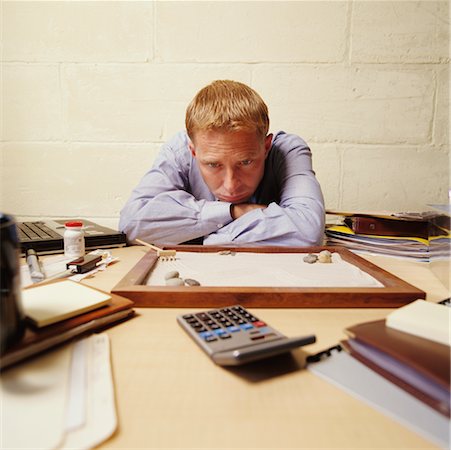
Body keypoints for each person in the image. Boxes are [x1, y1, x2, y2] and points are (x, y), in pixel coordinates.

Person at [119, 80, 325, 246]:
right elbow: (131, 226)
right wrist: (235, 211)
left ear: (266, 146)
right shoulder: (179, 150)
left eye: (245, 162)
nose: (231, 185)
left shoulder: (288, 150)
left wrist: (192, 237)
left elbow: (308, 233)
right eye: (213, 164)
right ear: (193, 151)